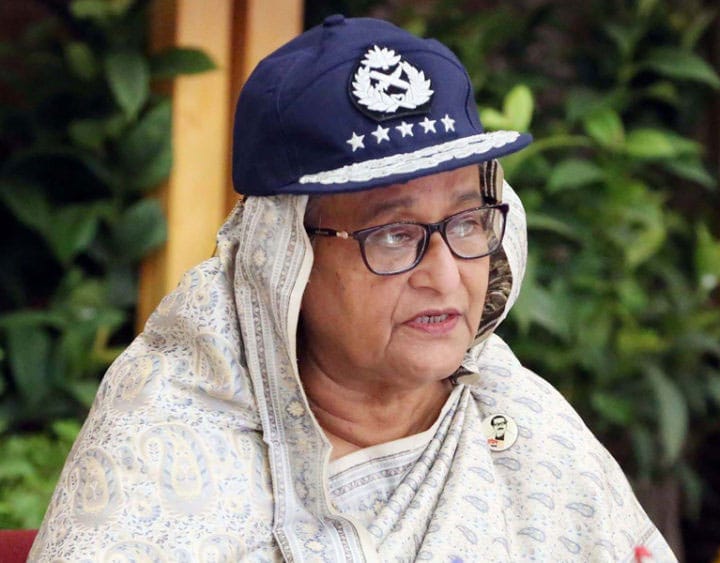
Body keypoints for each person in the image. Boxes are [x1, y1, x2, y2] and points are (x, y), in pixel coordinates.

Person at [30, 16, 676, 562]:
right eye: (393, 233)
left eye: (466, 221)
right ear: (281, 258)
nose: (445, 275)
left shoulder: (520, 425)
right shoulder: (168, 445)